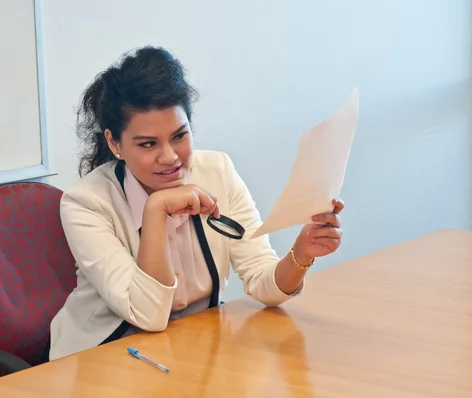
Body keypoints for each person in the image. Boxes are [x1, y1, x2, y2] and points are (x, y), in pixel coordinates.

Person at [48, 46, 344, 361]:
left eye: (179, 136)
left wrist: (302, 253)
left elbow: (262, 282)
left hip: (190, 349)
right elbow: (147, 316)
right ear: (113, 142)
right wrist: (156, 210)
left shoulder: (218, 171)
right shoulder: (85, 203)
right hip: (101, 358)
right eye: (148, 144)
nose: (169, 157)